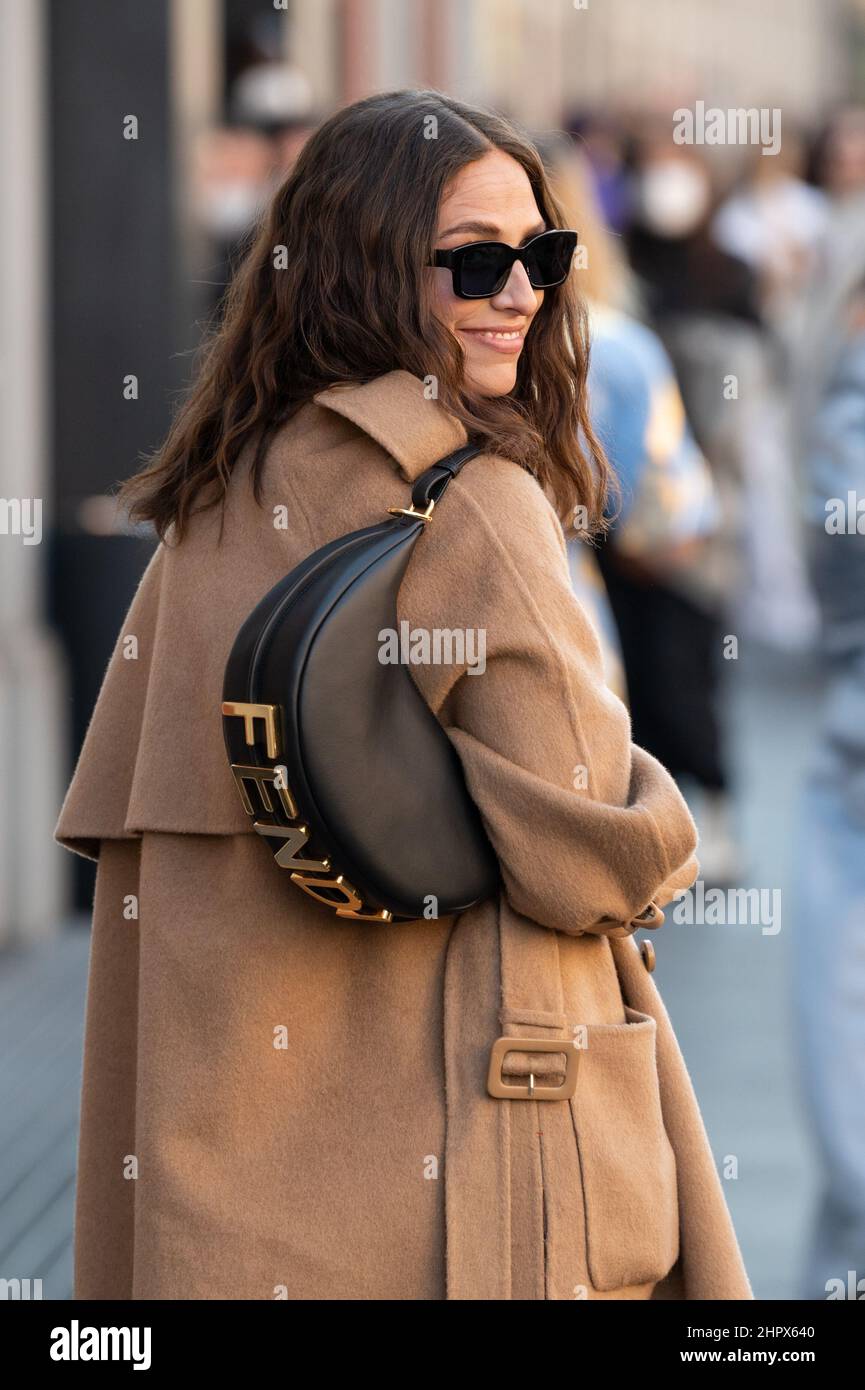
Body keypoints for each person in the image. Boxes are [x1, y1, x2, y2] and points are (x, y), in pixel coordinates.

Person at [54, 90, 752, 1301]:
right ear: (364, 272)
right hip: (465, 1197)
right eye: (477, 264)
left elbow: (129, 864)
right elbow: (591, 854)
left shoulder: (212, 497)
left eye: (541, 254)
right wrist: (660, 812)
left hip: (216, 1203)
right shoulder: (471, 501)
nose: (522, 294)